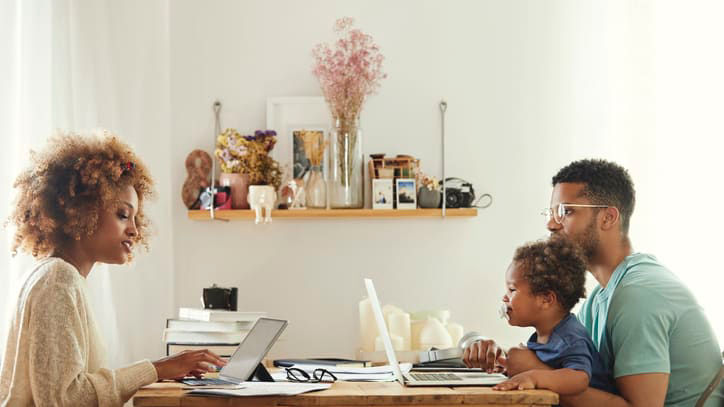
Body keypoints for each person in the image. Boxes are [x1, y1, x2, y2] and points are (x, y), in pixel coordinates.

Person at [463, 159, 722, 406]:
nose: (551, 224)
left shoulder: (638, 295)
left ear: (608, 217)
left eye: (565, 211)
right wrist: (502, 359)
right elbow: (582, 378)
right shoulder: (599, 298)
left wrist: (535, 370)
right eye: (551, 212)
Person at [0, 131, 227, 406]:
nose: (134, 230)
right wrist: (154, 370)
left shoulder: (58, 276)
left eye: (134, 217)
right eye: (122, 215)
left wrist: (157, 370)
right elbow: (65, 399)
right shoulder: (58, 281)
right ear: (82, 211)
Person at [491, 237, 616, 396]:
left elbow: (580, 378)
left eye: (512, 290)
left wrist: (533, 377)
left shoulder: (570, 337)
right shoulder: (543, 335)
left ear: (546, 299)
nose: (504, 298)